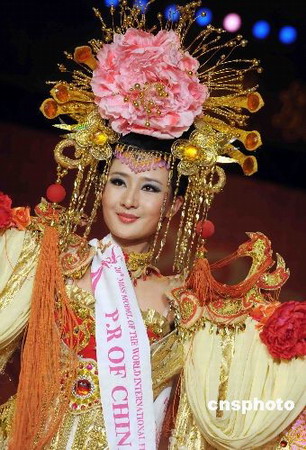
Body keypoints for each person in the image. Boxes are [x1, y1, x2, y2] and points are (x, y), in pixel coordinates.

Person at [0, 1, 305, 449]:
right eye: (118, 181)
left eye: (148, 188)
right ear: (99, 186)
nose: (127, 199)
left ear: (176, 204)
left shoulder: (188, 303)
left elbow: (242, 404)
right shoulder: (44, 263)